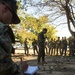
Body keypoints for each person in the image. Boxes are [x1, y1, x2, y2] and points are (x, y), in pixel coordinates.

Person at [0, 0, 27, 75]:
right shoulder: (2, 30)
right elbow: (4, 69)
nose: (11, 22)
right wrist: (21, 68)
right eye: (12, 18)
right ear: (5, 8)